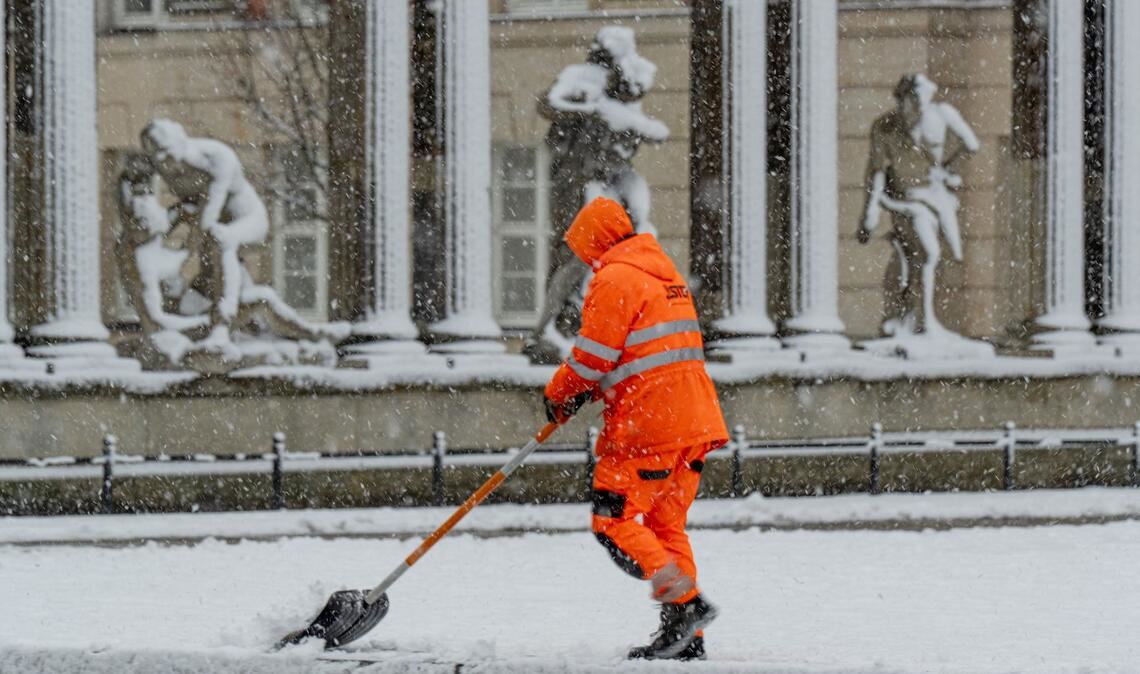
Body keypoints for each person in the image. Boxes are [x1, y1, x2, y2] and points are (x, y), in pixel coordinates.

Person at [542, 196, 728, 660]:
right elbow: (641, 353)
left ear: (595, 239)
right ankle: (687, 638)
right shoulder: (666, 277)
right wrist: (593, 388)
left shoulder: (615, 277)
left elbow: (593, 355)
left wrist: (559, 394)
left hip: (649, 425)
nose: (583, 258)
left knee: (614, 519)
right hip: (695, 421)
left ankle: (686, 606)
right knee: (666, 527)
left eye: (583, 247)